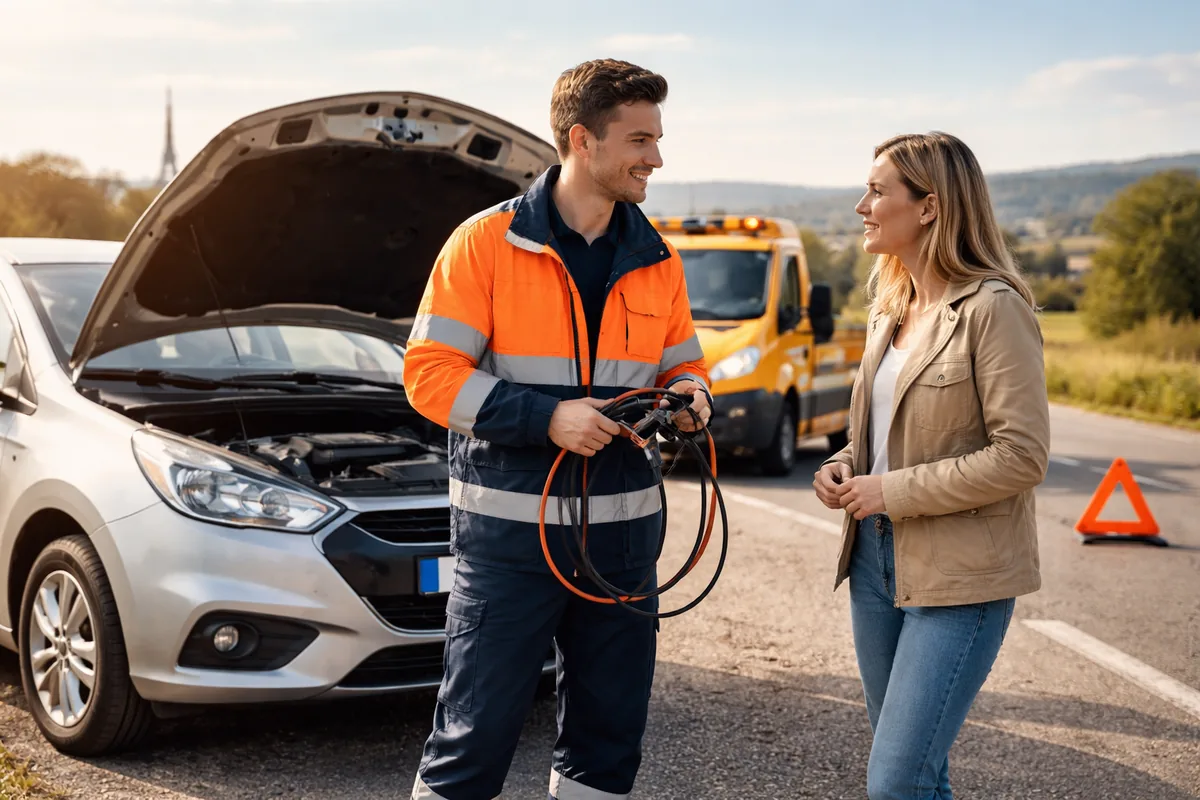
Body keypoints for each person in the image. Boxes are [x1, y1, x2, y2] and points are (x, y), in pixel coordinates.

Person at [403, 58, 711, 800]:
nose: (656, 157)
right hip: (509, 548)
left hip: (624, 548)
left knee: (607, 745)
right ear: (582, 139)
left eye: (657, 138)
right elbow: (430, 376)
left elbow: (686, 367)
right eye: (640, 138)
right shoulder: (484, 244)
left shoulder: (657, 258)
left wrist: (692, 399)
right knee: (472, 740)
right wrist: (549, 418)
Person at [812, 132, 1050, 800]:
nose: (862, 205)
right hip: (872, 563)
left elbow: (1022, 456)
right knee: (917, 774)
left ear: (929, 207)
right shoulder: (891, 310)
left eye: (878, 190)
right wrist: (843, 465)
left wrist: (890, 489)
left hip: (961, 577)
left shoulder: (994, 308)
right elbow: (886, 436)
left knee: (895, 781)